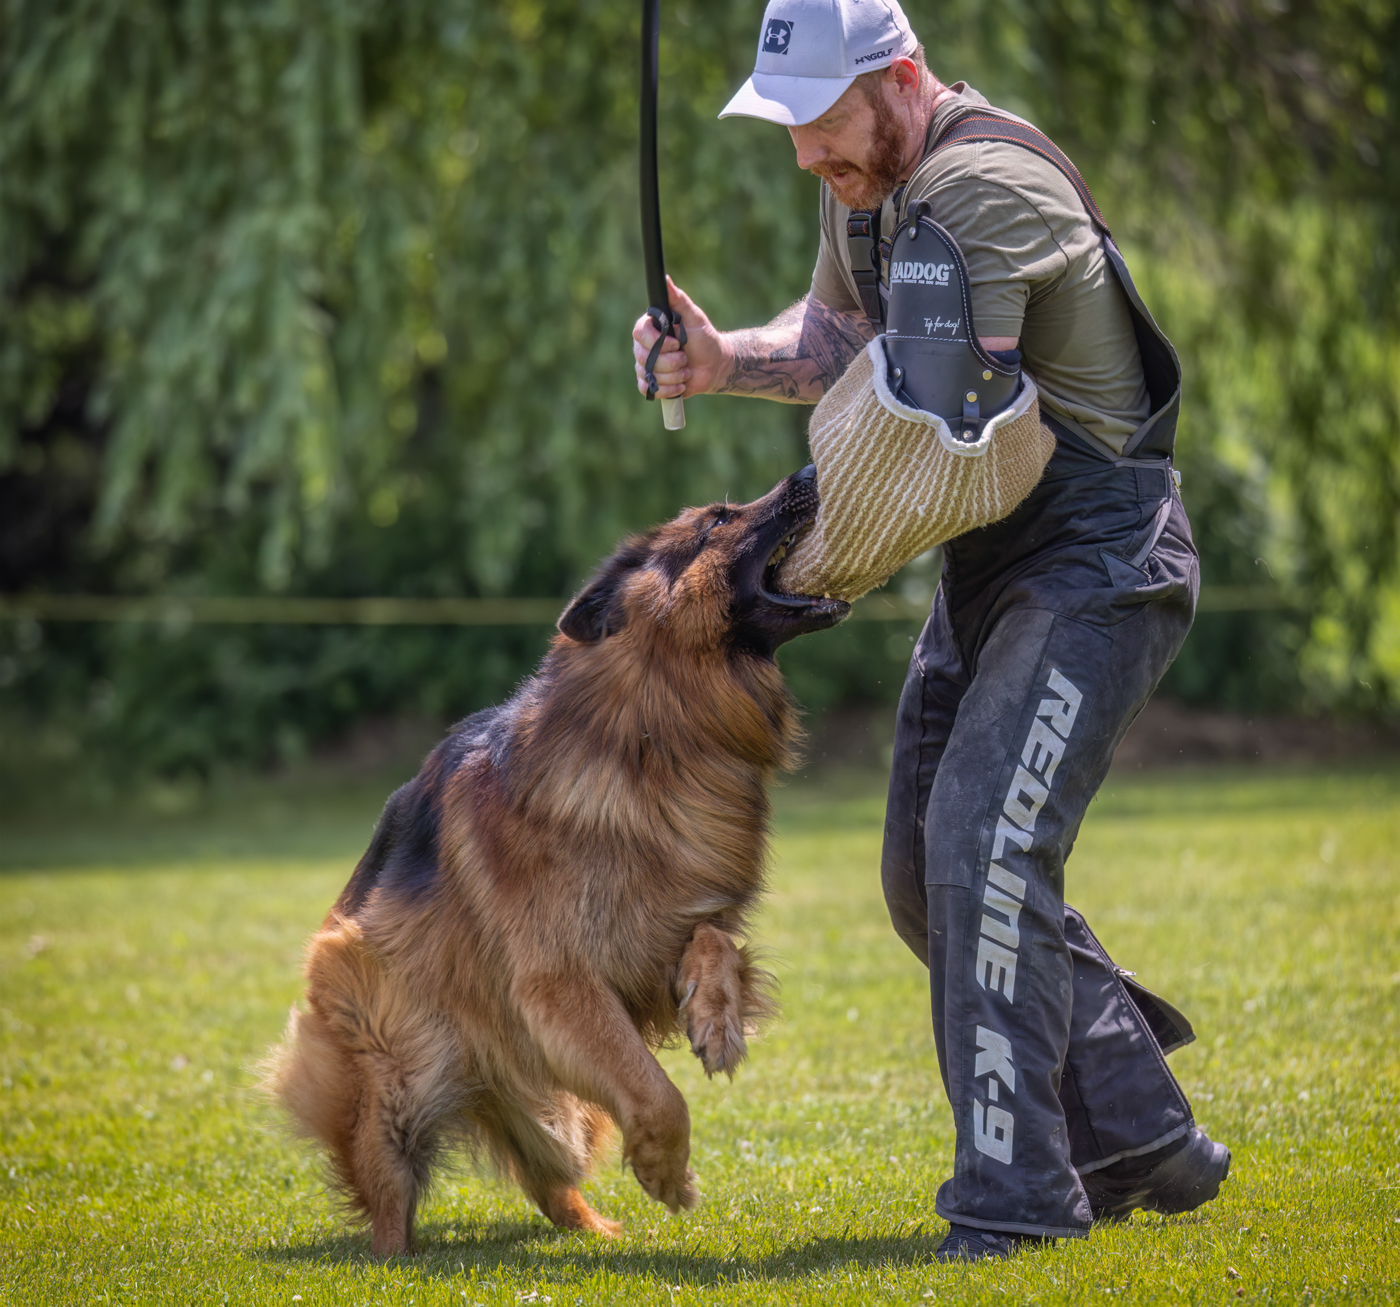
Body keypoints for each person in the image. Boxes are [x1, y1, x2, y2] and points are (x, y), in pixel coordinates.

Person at [631, 0, 1231, 1264]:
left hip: (1097, 558)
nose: (805, 154)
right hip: (989, 553)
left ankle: (1013, 1199)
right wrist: (721, 356)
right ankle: (1140, 1134)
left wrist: (766, 582)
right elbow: (839, 338)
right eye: (788, 128)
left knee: (982, 845)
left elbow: (926, 424)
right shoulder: (865, 181)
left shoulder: (978, 189)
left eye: (820, 122)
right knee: (923, 875)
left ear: (899, 77)